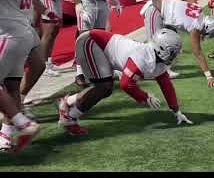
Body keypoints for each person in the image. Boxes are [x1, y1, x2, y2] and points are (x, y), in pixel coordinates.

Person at [57, 28, 192, 136]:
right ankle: (69, 117)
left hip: (99, 45)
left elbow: (166, 85)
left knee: (104, 88)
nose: (175, 55)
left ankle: (67, 102)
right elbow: (125, 84)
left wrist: (176, 111)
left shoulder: (156, 60)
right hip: (91, 41)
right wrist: (144, 96)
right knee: (104, 87)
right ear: (162, 50)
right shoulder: (143, 57)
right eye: (173, 52)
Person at [0, 0, 42, 152]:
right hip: (21, 34)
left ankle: (23, 124)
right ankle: (6, 136)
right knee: (12, 87)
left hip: (8, 34)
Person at [140, 0, 214, 87]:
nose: (204, 35)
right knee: (153, 47)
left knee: (173, 44)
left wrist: (171, 8)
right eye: (206, 33)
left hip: (161, 12)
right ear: (207, 28)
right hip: (155, 10)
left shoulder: (199, 10)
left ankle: (165, 69)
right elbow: (198, 53)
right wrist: (209, 76)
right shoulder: (196, 27)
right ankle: (136, 68)